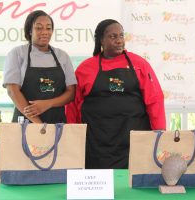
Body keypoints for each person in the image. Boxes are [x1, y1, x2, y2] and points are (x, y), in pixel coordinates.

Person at [66, 19, 166, 169]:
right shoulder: (85, 69)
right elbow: (72, 106)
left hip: (134, 143)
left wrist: (160, 135)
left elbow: (155, 101)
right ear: (101, 40)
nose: (119, 41)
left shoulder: (139, 64)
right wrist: (73, 136)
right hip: (97, 146)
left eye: (121, 36)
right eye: (113, 37)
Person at [3, 10, 76, 123]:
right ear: (30, 31)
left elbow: (71, 93)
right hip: (25, 125)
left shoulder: (62, 56)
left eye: (48, 28)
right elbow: (12, 91)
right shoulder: (17, 53)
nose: (45, 32)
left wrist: (48, 103)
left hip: (57, 126)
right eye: (39, 28)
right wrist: (38, 124)